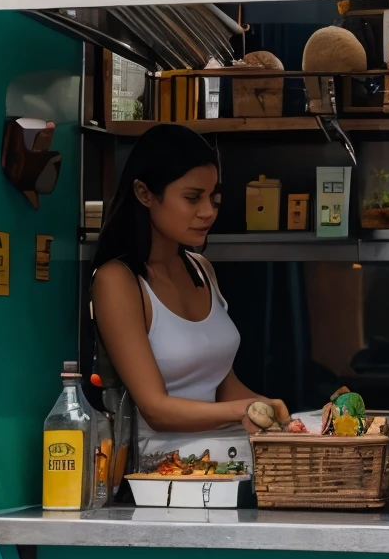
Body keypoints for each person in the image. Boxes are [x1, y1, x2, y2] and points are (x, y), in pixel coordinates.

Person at [90, 125, 289, 469]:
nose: (208, 211)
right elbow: (156, 410)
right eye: (192, 197)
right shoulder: (118, 282)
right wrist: (242, 411)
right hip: (161, 473)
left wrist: (274, 411)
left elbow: (222, 384)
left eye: (213, 197)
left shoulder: (201, 269)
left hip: (226, 463)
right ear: (144, 193)